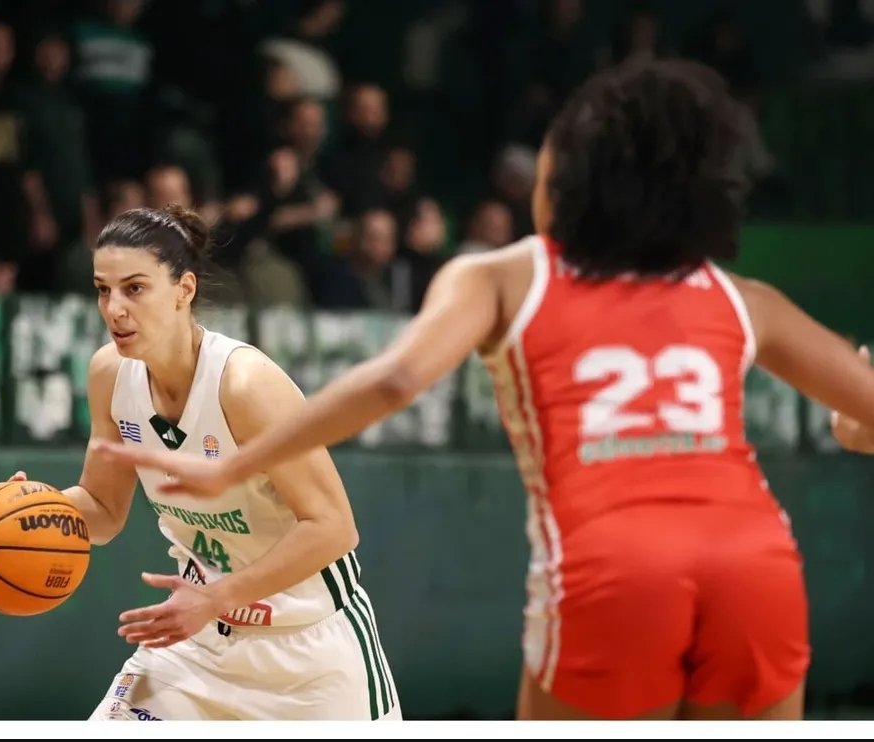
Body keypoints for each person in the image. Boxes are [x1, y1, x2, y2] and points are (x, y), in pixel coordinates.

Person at [93, 59, 874, 720]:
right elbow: (863, 413)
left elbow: (395, 377)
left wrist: (234, 465)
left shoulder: (509, 275)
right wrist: (850, 428)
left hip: (615, 564)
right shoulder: (739, 296)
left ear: (566, 183)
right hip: (757, 562)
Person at [0, 204, 400, 721]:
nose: (114, 308)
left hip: (308, 652)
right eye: (103, 290)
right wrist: (24, 510)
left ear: (184, 289)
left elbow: (333, 528)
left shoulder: (245, 385)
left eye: (134, 289)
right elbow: (102, 509)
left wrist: (216, 598)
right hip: (197, 643)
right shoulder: (109, 374)